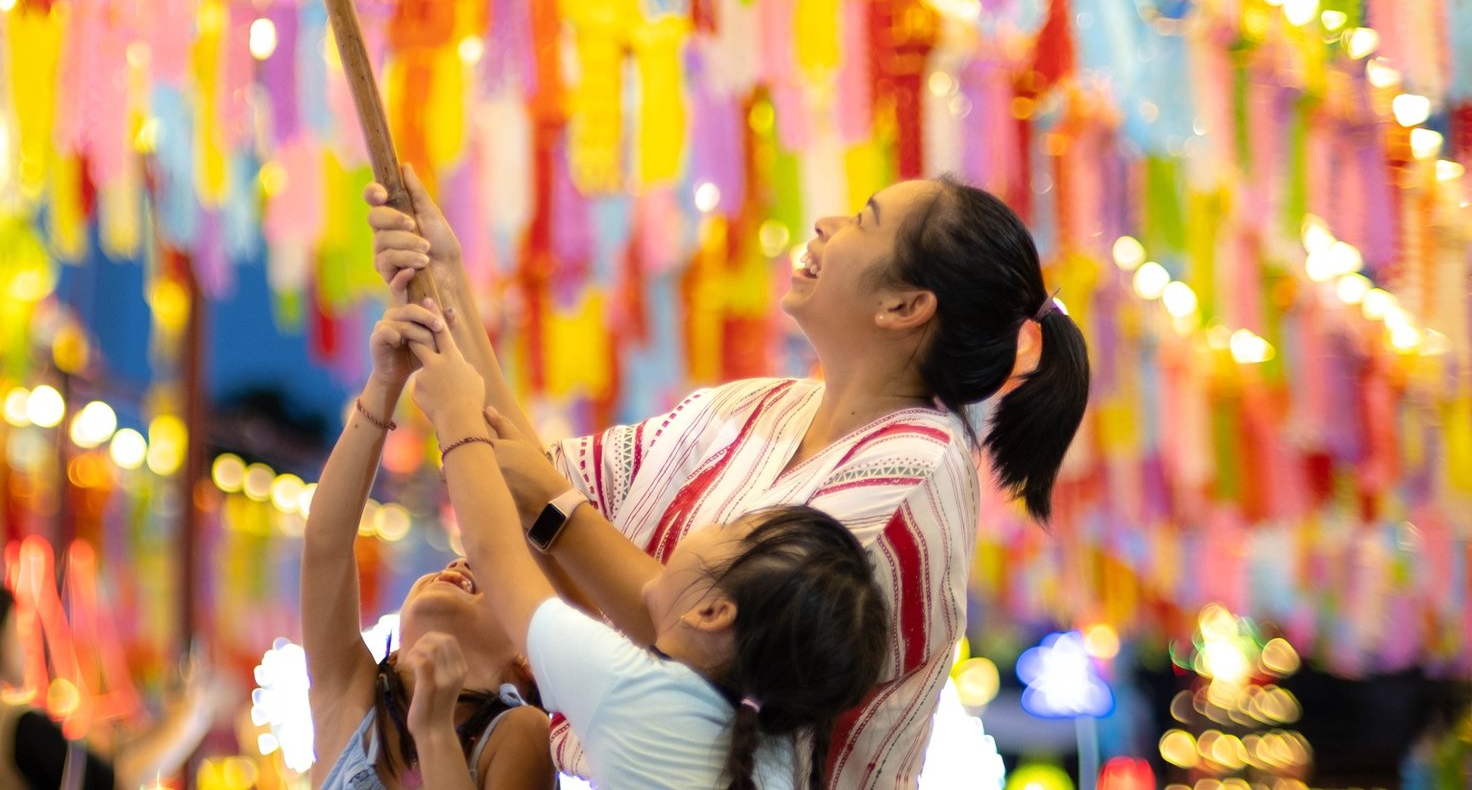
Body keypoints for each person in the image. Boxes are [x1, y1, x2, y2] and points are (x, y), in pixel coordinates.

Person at [366, 170, 1091, 787]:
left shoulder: (914, 472)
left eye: (864, 221)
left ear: (904, 308)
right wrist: (443, 277)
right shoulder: (761, 404)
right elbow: (528, 487)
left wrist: (547, 506)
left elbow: (708, 641)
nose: (827, 223)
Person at [399, 297, 889, 790]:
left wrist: (456, 417)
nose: (698, 529)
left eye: (723, 530)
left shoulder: (638, 693)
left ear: (713, 613)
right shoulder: (766, 751)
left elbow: (492, 551)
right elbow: (557, 591)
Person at [302, 296, 556, 790]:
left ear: (525, 660)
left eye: (489, 577)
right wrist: (384, 383)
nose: (463, 566)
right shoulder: (351, 697)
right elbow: (328, 545)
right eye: (464, 559)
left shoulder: (521, 734)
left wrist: (437, 731)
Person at [0, 577, 218, 790]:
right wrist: (185, 723)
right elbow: (111, 784)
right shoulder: (14, 725)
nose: (26, 642)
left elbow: (95, 766)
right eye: (16, 628)